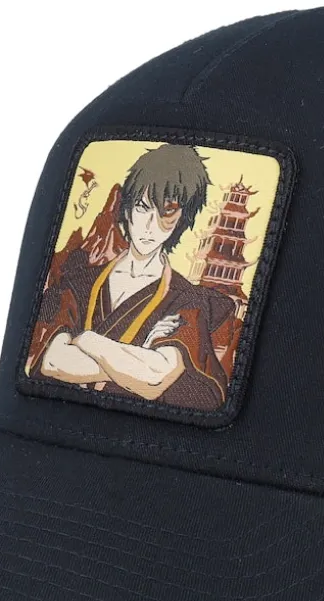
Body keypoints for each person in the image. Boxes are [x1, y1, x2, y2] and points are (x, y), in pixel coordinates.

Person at [30, 143, 235, 411]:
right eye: (142, 207)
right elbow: (53, 361)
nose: (150, 226)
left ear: (182, 218)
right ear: (126, 210)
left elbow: (154, 377)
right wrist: (139, 357)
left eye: (166, 212)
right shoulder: (79, 283)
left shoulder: (189, 300)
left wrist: (86, 339)